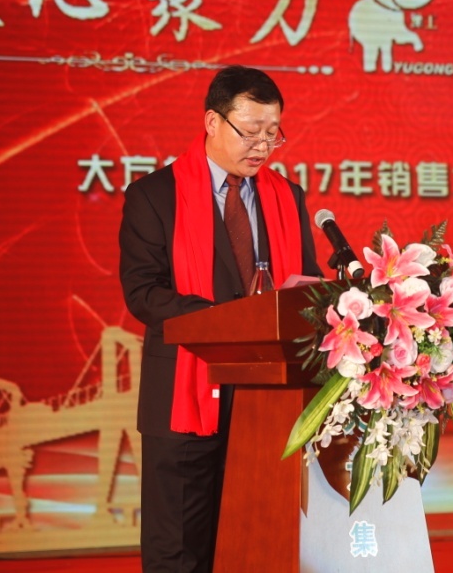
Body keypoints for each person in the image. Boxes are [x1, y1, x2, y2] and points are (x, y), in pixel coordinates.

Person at [119, 66, 322, 573]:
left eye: (272, 133)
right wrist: (226, 321)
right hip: (184, 394)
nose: (263, 145)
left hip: (266, 400)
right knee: (179, 550)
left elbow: (308, 288)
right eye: (250, 131)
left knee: (257, 543)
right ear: (213, 121)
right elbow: (144, 294)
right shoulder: (154, 196)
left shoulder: (286, 197)